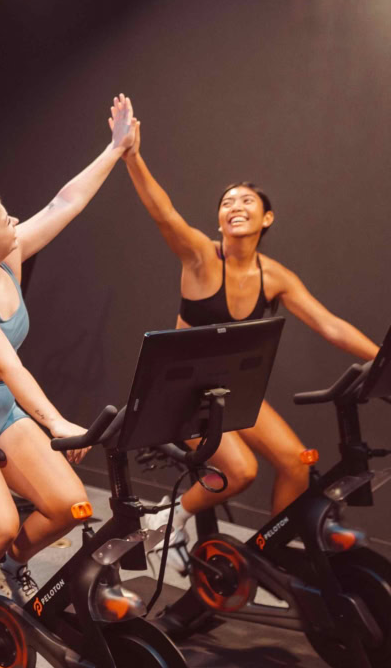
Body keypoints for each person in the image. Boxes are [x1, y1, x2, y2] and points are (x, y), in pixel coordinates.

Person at [0, 95, 139, 660]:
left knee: (68, 506)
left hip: (3, 410)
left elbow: (67, 201)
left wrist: (115, 148)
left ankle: (12, 565)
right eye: (7, 220)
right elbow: (9, 365)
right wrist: (57, 423)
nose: (18, 222)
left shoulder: (6, 260)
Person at [122, 109, 380, 569]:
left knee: (298, 461)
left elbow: (330, 325)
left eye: (246, 201)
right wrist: (132, 156)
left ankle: (271, 557)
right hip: (180, 392)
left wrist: (383, 359)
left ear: (267, 218)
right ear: (219, 219)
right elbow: (163, 211)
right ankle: (167, 518)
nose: (235, 206)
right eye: (227, 202)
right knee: (241, 471)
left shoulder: (274, 276)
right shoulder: (201, 257)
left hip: (229, 391)